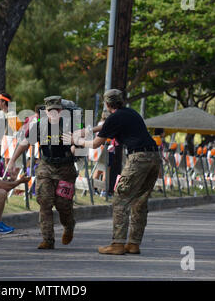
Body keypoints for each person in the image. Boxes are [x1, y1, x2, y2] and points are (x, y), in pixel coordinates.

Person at [64, 89, 161, 255]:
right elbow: (105, 126)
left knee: (120, 198)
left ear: (107, 104)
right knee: (139, 201)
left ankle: (117, 244)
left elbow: (95, 144)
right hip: (154, 157)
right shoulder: (131, 113)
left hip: (138, 158)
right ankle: (133, 243)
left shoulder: (114, 118)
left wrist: (76, 140)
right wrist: (87, 131)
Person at [7, 96, 78, 249]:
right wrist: (12, 160)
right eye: (50, 110)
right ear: (45, 111)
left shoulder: (69, 124)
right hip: (46, 166)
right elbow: (25, 143)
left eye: (57, 110)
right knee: (45, 202)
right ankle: (48, 239)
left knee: (63, 204)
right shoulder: (40, 126)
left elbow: (79, 143)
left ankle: (69, 225)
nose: (53, 113)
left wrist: (75, 145)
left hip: (65, 168)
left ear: (62, 110)